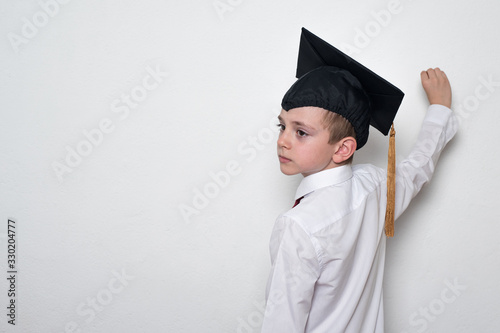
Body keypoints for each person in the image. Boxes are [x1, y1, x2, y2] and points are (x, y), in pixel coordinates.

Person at [261, 28, 457, 333]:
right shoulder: (375, 187)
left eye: (300, 132)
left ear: (343, 148)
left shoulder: (297, 226)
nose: (283, 141)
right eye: (282, 126)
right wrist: (440, 110)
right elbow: (417, 170)